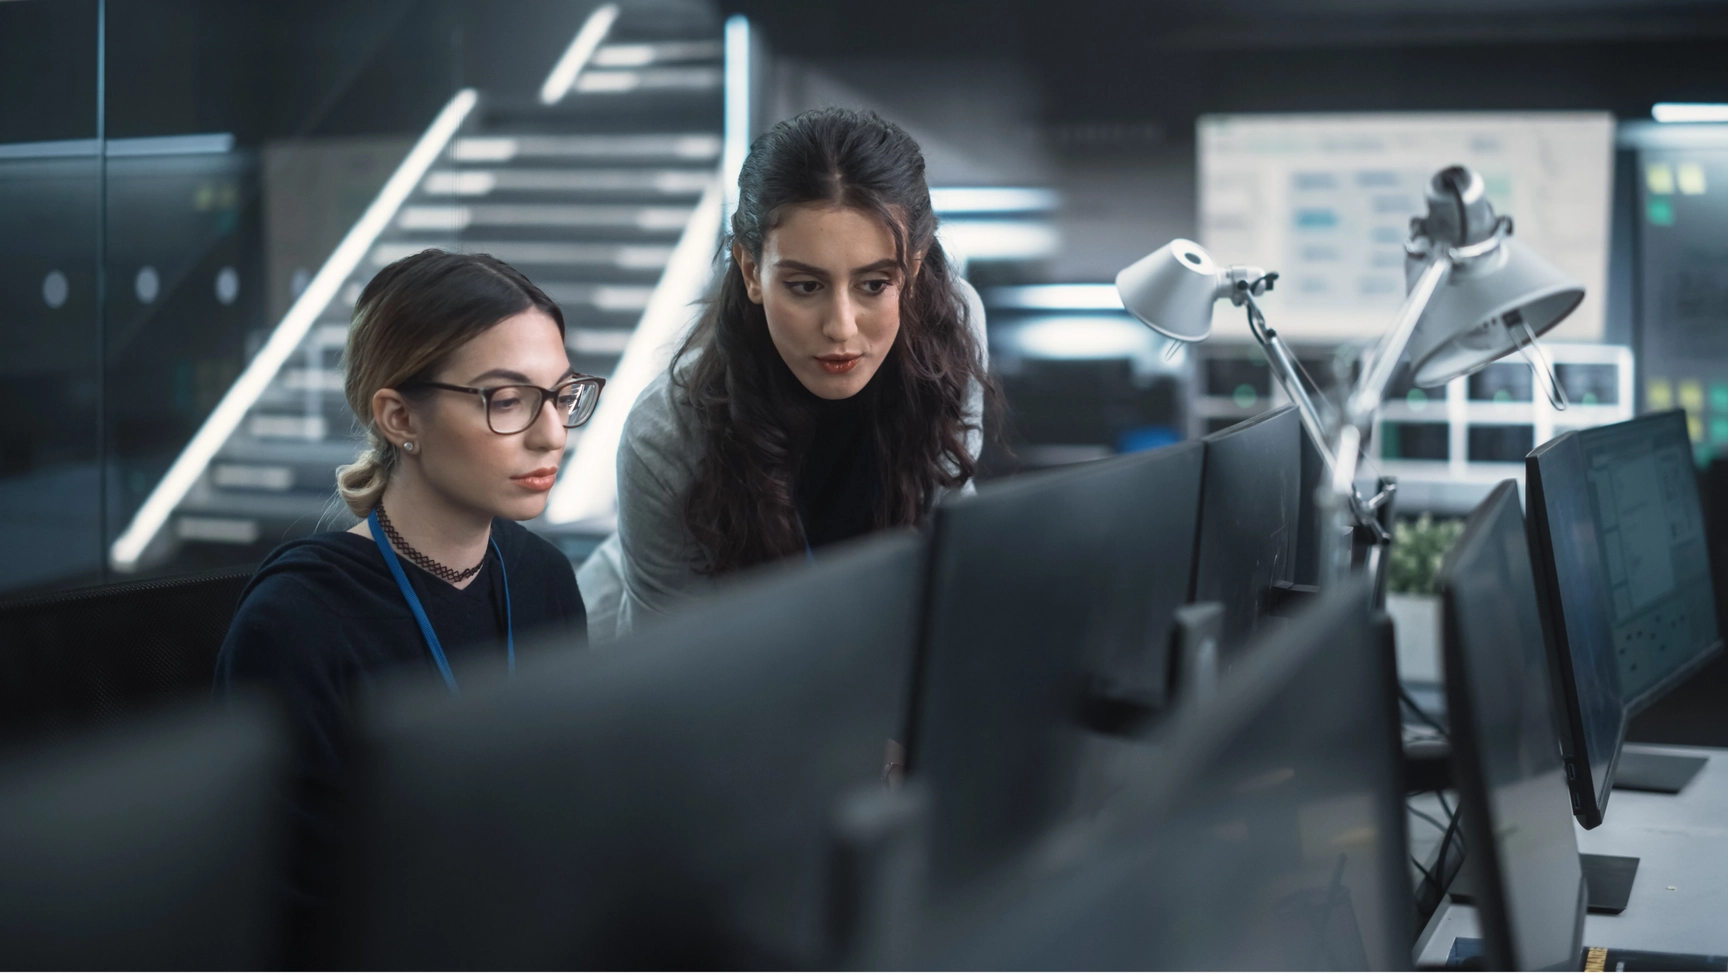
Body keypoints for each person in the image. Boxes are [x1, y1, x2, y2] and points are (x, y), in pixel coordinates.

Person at [215, 248, 594, 954]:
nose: (553, 434)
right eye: (507, 399)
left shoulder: (544, 578)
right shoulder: (296, 623)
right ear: (399, 417)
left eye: (561, 394)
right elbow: (287, 917)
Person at [581, 107, 995, 639]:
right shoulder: (665, 434)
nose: (841, 329)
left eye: (873, 285)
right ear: (752, 271)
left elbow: (942, 541)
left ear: (912, 272)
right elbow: (676, 683)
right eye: (805, 286)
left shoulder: (952, 333)